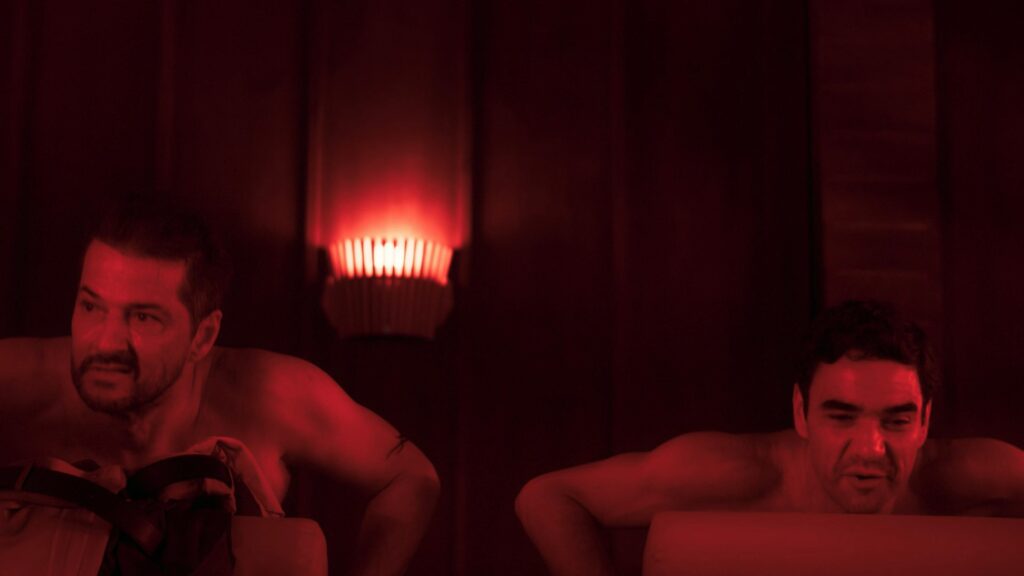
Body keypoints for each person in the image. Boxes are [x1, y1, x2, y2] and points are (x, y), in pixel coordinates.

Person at [0, 197, 439, 576]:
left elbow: (411, 477)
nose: (106, 342)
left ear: (203, 337)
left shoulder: (269, 394)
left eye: (143, 317)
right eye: (91, 306)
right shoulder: (20, 383)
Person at [515, 300, 1024, 576]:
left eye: (896, 421)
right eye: (841, 417)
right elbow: (548, 495)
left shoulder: (969, 477)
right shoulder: (741, 474)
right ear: (801, 413)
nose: (870, 449)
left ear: (926, 421)